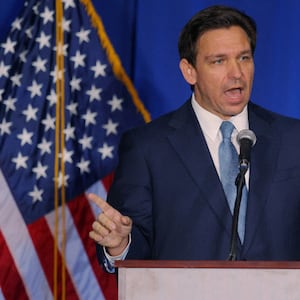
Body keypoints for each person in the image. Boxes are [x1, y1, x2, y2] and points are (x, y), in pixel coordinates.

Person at [89, 5, 300, 272]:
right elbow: (137, 254)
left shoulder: (294, 140)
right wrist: (121, 243)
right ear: (190, 71)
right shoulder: (147, 148)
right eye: (219, 61)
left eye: (244, 58)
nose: (237, 73)